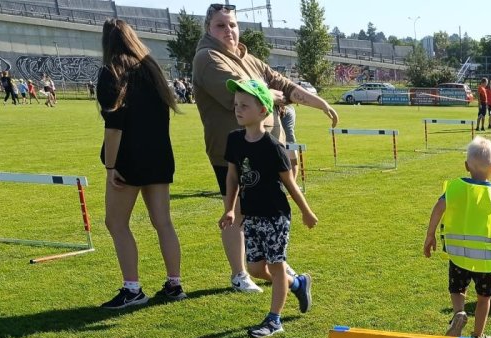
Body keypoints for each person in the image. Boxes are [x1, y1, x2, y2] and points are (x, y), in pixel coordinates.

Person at [193, 2, 337, 294]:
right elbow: (248, 92)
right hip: (233, 151)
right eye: (221, 25)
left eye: (233, 25)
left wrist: (318, 102)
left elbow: (282, 84)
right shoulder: (207, 57)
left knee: (266, 211)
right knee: (235, 211)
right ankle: (241, 274)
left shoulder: (248, 58)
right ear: (208, 28)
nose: (229, 31)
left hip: (266, 150)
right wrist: (272, 95)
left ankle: (278, 268)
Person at [95, 18, 184, 310]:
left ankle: (132, 289)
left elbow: (114, 127)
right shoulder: (151, 69)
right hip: (159, 155)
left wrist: (110, 167)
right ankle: (174, 284)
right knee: (163, 222)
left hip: (129, 160)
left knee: (116, 222)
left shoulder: (112, 72)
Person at [219, 79, 317, 338]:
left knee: (275, 266)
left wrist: (306, 212)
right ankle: (297, 283)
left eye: (245, 105)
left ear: (263, 110)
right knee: (254, 269)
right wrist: (229, 209)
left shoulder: (273, 147)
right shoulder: (234, 140)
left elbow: (290, 184)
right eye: (236, 104)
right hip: (250, 216)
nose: (238, 109)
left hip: (275, 216)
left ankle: (274, 320)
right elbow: (232, 177)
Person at [422, 136, 491, 338]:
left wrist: (430, 234)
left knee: (457, 289)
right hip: (485, 262)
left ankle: (459, 312)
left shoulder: (455, 188)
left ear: (466, 165)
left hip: (458, 256)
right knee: (483, 298)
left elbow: (439, 207)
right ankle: (478, 336)